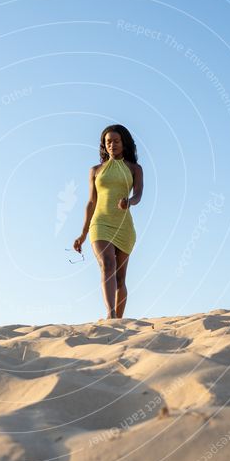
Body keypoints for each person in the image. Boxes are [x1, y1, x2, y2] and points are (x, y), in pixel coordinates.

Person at [73, 124, 144, 320]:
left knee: (121, 279)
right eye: (108, 142)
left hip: (124, 226)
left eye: (116, 141)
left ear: (124, 143)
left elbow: (138, 195)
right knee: (107, 264)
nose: (112, 144)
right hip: (100, 223)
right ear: (104, 145)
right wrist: (83, 233)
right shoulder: (95, 170)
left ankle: (119, 324)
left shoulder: (134, 169)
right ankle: (110, 314)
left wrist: (129, 202)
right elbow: (91, 202)